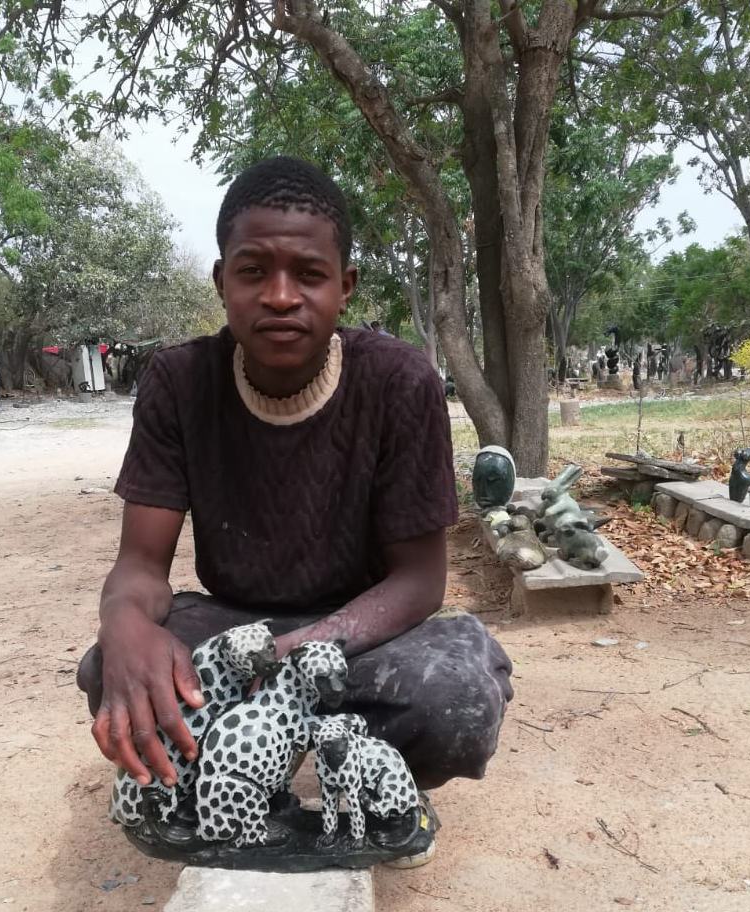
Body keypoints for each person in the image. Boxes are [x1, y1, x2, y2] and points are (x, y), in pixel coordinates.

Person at [76, 155, 513, 862]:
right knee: (112, 668)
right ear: (222, 282)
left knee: (452, 705)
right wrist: (123, 619)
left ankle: (380, 783)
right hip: (238, 618)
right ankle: (222, 787)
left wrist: (292, 656)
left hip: (369, 628)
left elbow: (418, 581)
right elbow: (141, 565)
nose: (280, 296)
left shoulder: (399, 383)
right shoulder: (180, 381)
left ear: (345, 287)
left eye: (308, 274)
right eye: (253, 272)